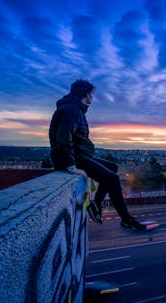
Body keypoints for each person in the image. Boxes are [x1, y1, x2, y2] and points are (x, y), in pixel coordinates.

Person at [49, 79, 146, 231]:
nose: (92, 98)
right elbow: (63, 139)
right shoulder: (71, 110)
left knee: (112, 167)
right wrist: (71, 166)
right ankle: (127, 219)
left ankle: (96, 204)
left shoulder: (75, 109)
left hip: (79, 155)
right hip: (72, 158)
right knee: (112, 179)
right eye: (91, 94)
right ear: (86, 94)